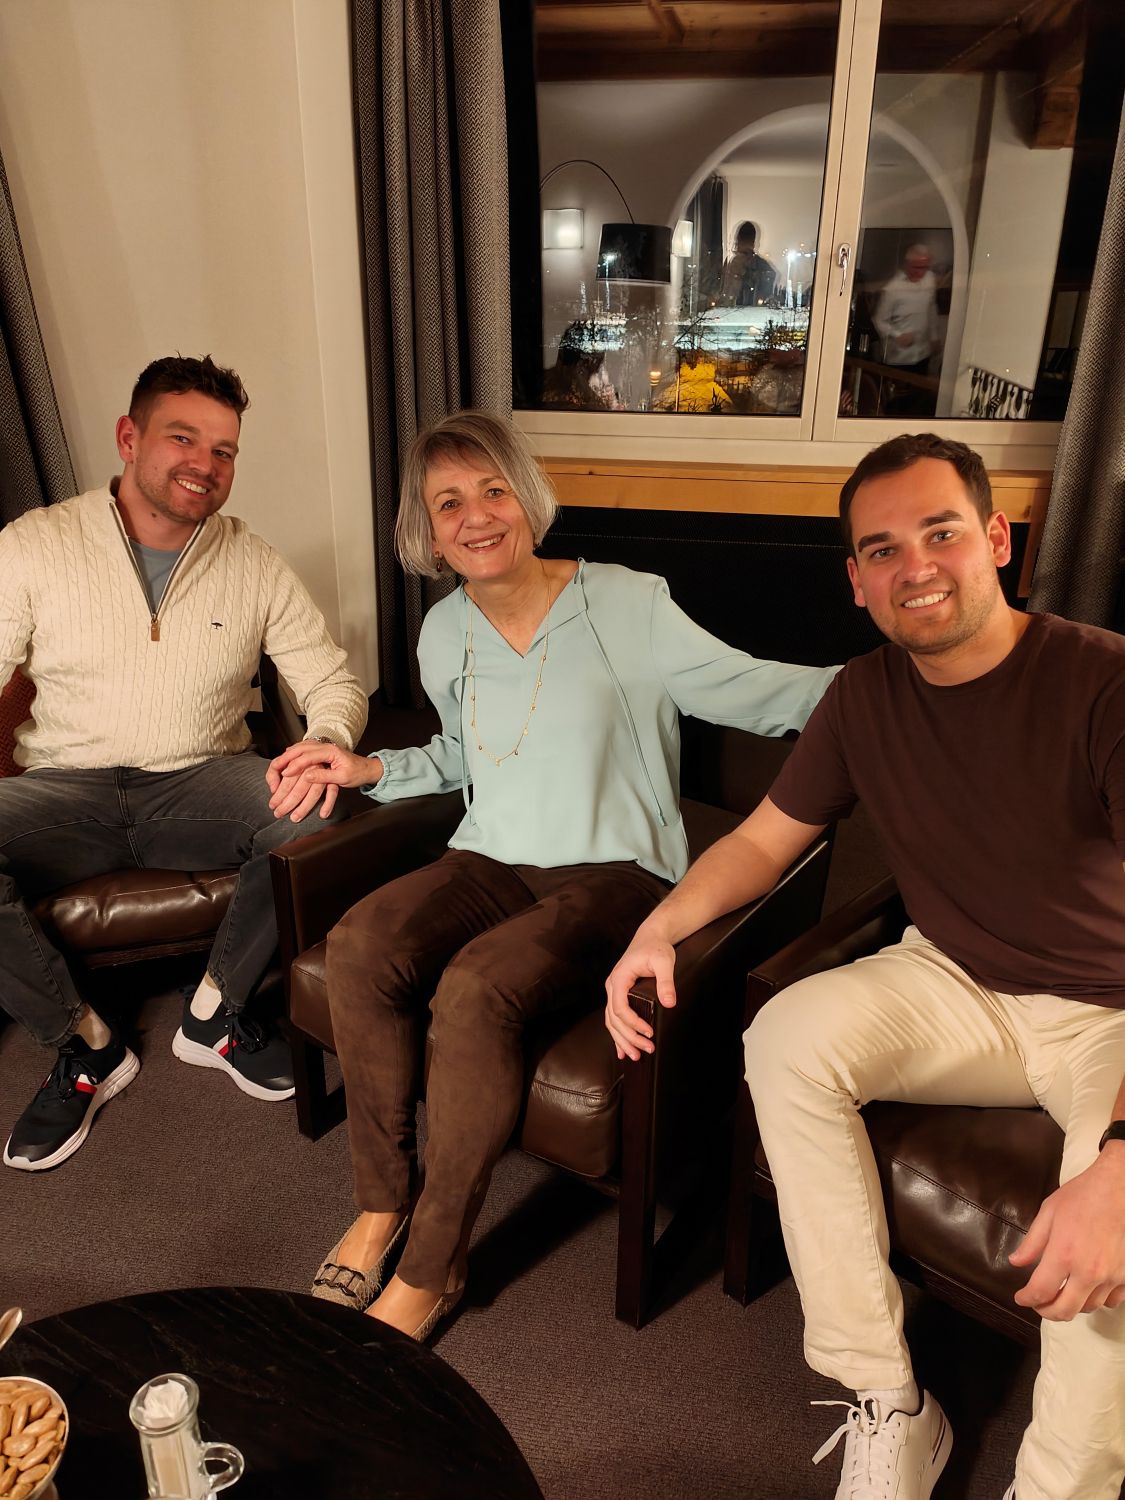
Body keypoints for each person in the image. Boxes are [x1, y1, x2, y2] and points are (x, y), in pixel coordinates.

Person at [606, 432, 1125, 1500]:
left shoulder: (1103, 682)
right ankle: (887, 1398)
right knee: (782, 1037)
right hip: (954, 980)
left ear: (998, 540)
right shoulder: (862, 696)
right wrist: (659, 927)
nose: (914, 567)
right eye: (882, 550)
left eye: (941, 533)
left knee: (1112, 1231)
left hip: (1108, 1012)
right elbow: (764, 841)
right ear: (856, 579)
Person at [268, 410, 838, 1343]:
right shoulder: (443, 630)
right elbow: (463, 756)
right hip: (489, 856)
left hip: (616, 872)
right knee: (362, 942)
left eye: (493, 490)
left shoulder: (626, 602)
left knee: (476, 985)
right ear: (427, 532)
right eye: (448, 502)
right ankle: (381, 1205)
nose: (476, 516)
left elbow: (755, 689)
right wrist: (371, 768)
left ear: (527, 501)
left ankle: (432, 1265)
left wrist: (887, 685)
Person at [0, 355, 367, 1172]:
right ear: (129, 438)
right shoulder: (34, 544)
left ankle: (216, 1013)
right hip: (64, 788)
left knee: (319, 812)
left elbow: (331, 681)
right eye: (182, 438)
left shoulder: (254, 561)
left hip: (200, 781)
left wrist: (326, 739)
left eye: (224, 449)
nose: (205, 463)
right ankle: (83, 1044)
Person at [872, 244, 941, 415]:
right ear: (907, 264)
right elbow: (879, 320)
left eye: (924, 267)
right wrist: (897, 335)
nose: (920, 272)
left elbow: (931, 308)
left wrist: (934, 336)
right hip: (899, 358)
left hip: (922, 353)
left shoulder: (930, 279)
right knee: (897, 406)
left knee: (918, 402)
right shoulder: (893, 289)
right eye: (916, 267)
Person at [717, 221, 777, 309]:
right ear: (754, 243)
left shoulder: (737, 263)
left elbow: (728, 293)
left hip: (741, 311)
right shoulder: (761, 265)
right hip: (744, 311)